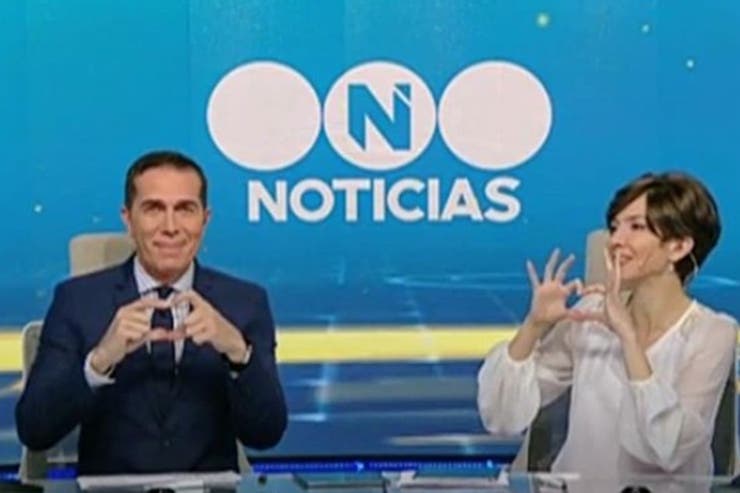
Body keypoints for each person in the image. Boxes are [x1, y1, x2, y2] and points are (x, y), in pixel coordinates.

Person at [16, 150, 287, 474]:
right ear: (128, 219)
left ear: (205, 219)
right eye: (154, 209)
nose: (170, 227)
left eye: (185, 209)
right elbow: (35, 430)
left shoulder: (244, 302)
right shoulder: (77, 301)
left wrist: (239, 354)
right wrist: (98, 362)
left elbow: (266, 434)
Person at [477, 172, 737, 477]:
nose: (615, 241)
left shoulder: (713, 332)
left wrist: (628, 338)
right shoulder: (590, 314)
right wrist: (534, 325)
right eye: (614, 227)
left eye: (636, 227)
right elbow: (502, 417)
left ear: (678, 247)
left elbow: (669, 449)